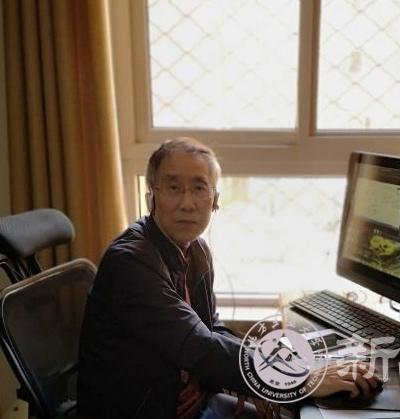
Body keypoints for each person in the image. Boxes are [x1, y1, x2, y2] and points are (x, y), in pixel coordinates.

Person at [77, 137, 381, 418]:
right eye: (173, 187)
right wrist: (297, 379)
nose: (187, 203)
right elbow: (197, 345)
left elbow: (212, 329)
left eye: (199, 188)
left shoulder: (196, 250)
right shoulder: (130, 262)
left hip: (196, 404)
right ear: (151, 198)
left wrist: (286, 366)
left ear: (215, 200)